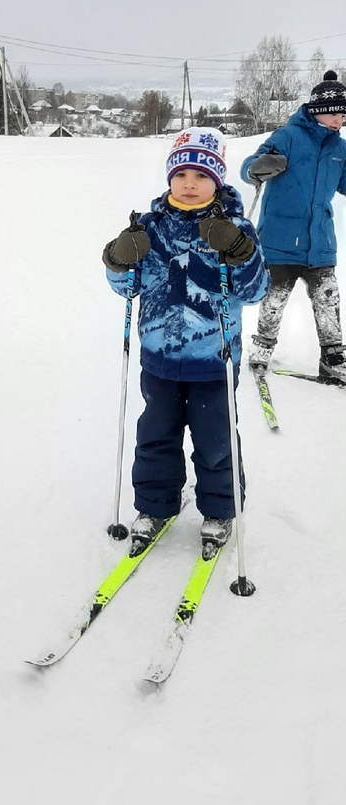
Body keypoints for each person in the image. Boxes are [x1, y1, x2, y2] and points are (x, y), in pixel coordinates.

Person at [102, 127, 269, 558]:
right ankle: (156, 506)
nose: (189, 184)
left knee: (215, 441)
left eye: (201, 175)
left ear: (217, 179)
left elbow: (255, 291)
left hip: (214, 359)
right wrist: (120, 259)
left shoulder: (235, 227)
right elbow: (127, 287)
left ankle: (220, 511)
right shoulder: (151, 227)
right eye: (181, 175)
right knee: (155, 435)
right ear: (169, 178)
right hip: (158, 359)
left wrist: (240, 251)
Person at [241, 69, 346, 382]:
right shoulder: (288, 137)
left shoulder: (339, 148)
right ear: (320, 112)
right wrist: (258, 168)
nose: (341, 119)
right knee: (274, 301)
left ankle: (333, 359)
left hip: (320, 243)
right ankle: (261, 351)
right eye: (338, 113)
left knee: (328, 301)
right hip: (280, 240)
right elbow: (250, 166)